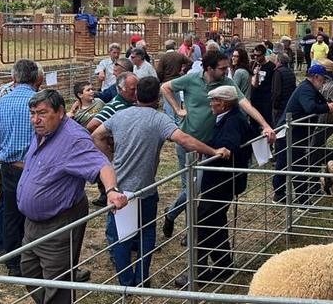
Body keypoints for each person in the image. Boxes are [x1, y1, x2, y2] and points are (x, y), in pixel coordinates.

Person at [91, 76, 230, 287]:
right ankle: (141, 278)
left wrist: (108, 158)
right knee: (146, 233)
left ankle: (126, 282)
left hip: (119, 189)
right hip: (144, 188)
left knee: (122, 237)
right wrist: (213, 151)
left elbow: (96, 134)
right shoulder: (159, 119)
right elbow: (184, 140)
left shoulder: (119, 116)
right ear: (157, 97)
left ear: (137, 94)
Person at [18, 90, 127, 303]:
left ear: (60, 112)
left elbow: (102, 164)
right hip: (32, 222)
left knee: (57, 282)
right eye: (32, 113)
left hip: (59, 221)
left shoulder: (74, 139)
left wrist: (112, 190)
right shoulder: (43, 131)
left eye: (42, 113)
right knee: (29, 271)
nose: (35, 119)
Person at [160, 51, 275, 233]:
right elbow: (165, 87)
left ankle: (189, 229)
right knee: (191, 188)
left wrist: (265, 125)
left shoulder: (227, 84)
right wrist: (177, 109)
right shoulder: (190, 80)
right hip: (187, 141)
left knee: (200, 188)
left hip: (210, 145)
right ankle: (180, 223)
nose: (226, 71)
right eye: (222, 68)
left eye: (227, 67)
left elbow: (246, 104)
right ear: (209, 68)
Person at [174, 85, 251, 287]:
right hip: (222, 182)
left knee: (201, 223)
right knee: (216, 222)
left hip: (221, 182)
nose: (210, 105)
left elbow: (228, 145)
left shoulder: (232, 121)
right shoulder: (232, 117)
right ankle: (223, 264)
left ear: (223, 103)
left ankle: (195, 273)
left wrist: (216, 150)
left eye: (213, 101)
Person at [0, 59, 40, 276]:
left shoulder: (0, 103)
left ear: (13, 78)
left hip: (9, 166)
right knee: (37, 213)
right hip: (36, 167)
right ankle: (35, 257)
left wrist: (3, 157)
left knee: (10, 213)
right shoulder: (40, 102)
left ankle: (13, 263)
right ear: (36, 78)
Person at [272, 64, 333, 204]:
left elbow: (318, 101)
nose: (324, 83)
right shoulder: (306, 90)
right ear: (316, 77)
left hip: (293, 133)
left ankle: (279, 195)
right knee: (297, 165)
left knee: (285, 163)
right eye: (323, 80)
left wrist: (327, 104)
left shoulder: (309, 88)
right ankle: (301, 200)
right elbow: (309, 107)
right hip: (290, 133)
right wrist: (327, 107)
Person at [86, 72, 139, 207]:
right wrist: (110, 141)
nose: (137, 92)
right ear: (120, 90)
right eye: (133, 89)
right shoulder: (114, 106)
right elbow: (92, 125)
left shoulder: (132, 104)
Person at [156, 49, 190, 122]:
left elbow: (159, 71)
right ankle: (177, 119)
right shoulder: (179, 55)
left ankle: (170, 119)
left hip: (166, 81)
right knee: (177, 101)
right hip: (176, 81)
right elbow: (190, 62)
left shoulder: (163, 57)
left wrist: (161, 80)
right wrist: (183, 71)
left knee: (168, 102)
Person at [250, 44, 276, 129]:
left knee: (266, 121)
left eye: (258, 55)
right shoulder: (253, 64)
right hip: (254, 97)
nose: (256, 57)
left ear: (264, 55)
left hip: (265, 99)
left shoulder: (271, 66)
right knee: (253, 122)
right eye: (254, 55)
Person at [271, 53, 296, 125]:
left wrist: (275, 106)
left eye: (275, 60)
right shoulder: (290, 72)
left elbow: (276, 91)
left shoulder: (278, 72)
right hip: (288, 102)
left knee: (278, 125)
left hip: (280, 106)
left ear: (279, 61)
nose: (274, 62)